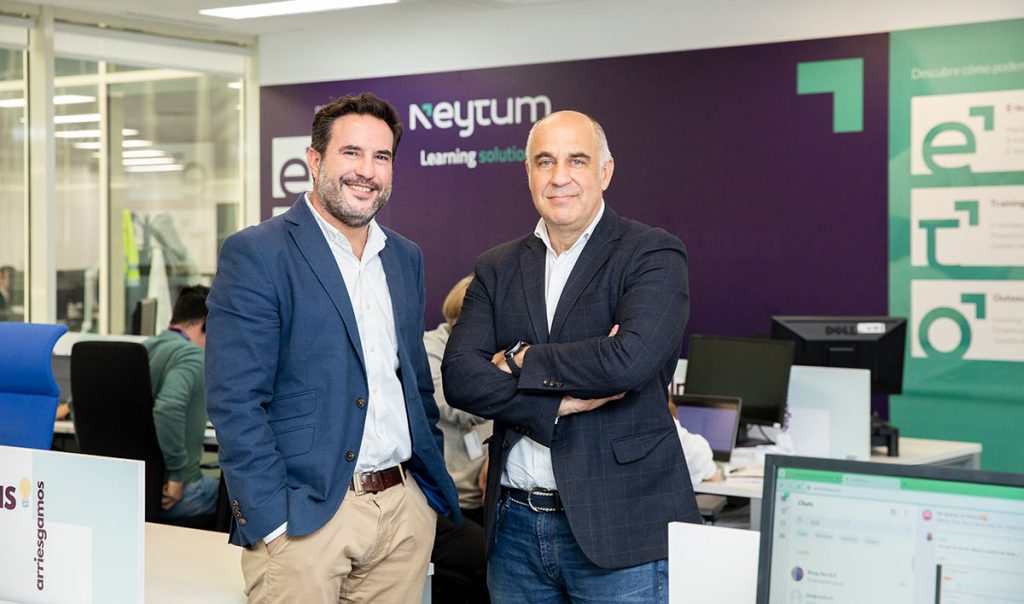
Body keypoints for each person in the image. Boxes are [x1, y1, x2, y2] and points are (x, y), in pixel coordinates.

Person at [205, 92, 459, 604]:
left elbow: (412, 384)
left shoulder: (403, 257)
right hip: (306, 522)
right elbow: (235, 401)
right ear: (315, 160)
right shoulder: (258, 252)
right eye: (351, 153)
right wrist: (272, 522)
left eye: (381, 156)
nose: (367, 170)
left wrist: (423, 499)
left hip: (402, 513)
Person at [442, 110, 702, 603]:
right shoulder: (497, 267)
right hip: (515, 531)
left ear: (605, 171)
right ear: (528, 173)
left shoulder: (652, 254)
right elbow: (460, 378)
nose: (559, 176)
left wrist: (519, 359)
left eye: (577, 160)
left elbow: (627, 361)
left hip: (623, 530)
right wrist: (555, 403)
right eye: (545, 162)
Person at [425, 275, 491, 604]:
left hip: (484, 499)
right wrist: (506, 383)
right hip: (440, 505)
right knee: (487, 556)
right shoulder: (430, 348)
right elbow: (455, 401)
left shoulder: (493, 354)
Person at [143, 284, 219, 518]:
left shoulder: (144, 348)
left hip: (136, 490)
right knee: (236, 497)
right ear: (205, 324)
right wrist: (177, 475)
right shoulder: (192, 356)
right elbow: (168, 407)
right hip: (176, 493)